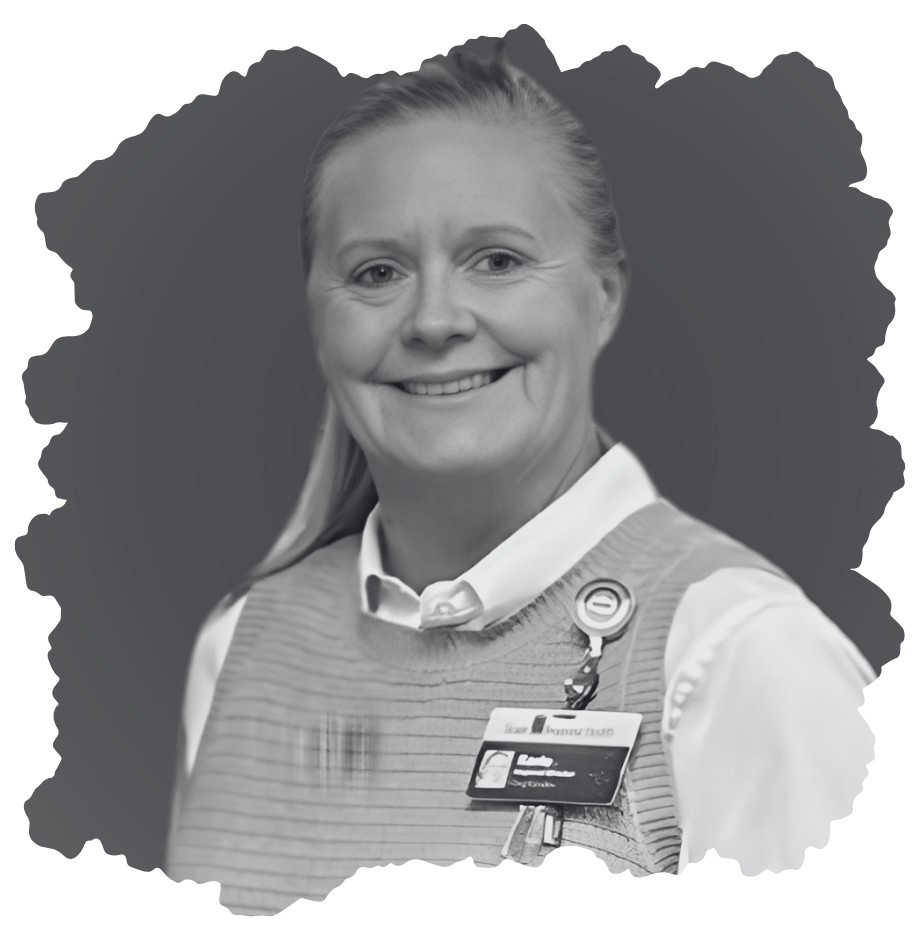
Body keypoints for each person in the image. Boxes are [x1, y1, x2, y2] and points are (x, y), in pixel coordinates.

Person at [165, 45, 876, 914]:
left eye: (497, 259)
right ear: (316, 319)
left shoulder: (740, 653)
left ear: (603, 298)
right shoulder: (241, 642)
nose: (434, 320)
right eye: (377, 272)